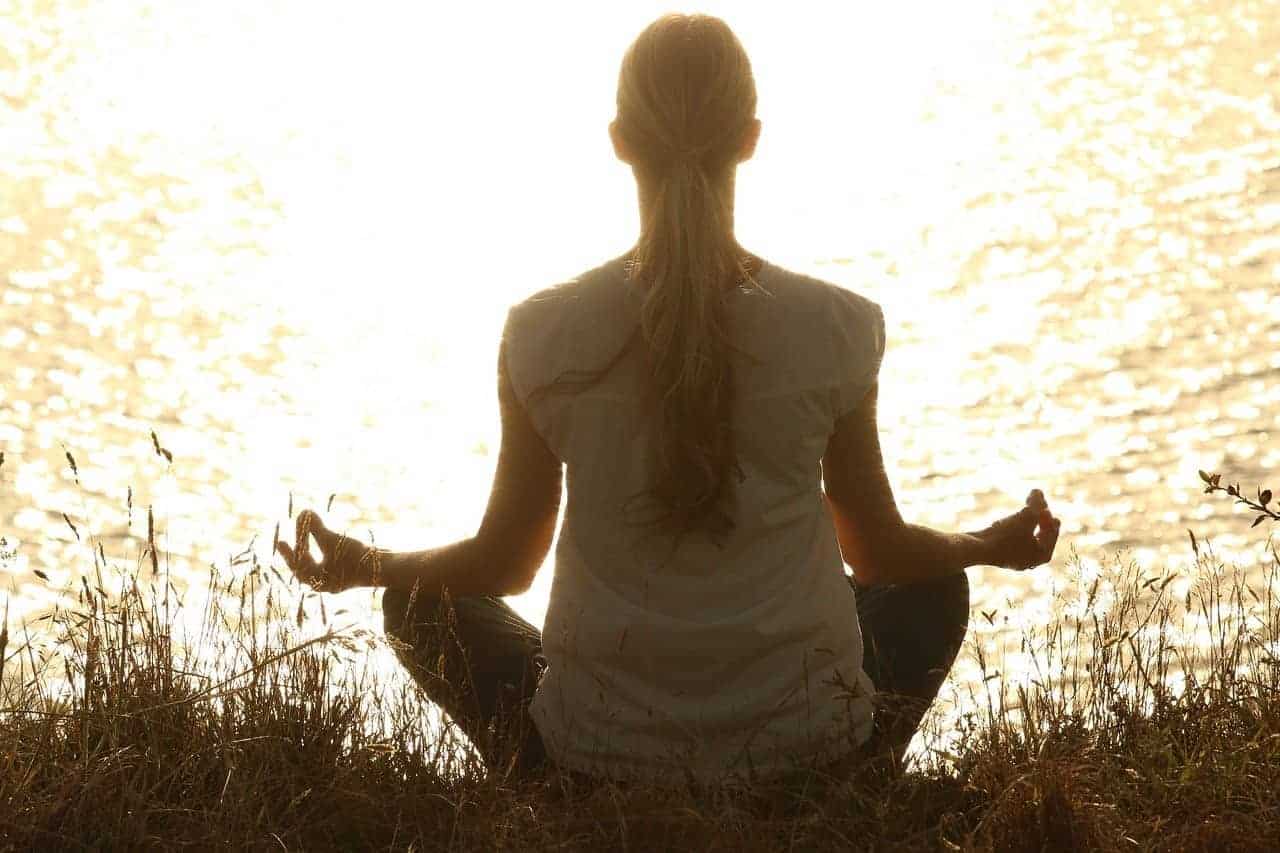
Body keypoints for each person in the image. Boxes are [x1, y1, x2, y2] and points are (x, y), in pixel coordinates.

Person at [276, 12, 1061, 796]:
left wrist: (363, 565)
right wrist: (985, 545)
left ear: (619, 139)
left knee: (418, 604)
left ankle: (558, 794)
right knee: (933, 584)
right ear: (751, 137)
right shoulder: (837, 327)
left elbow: (506, 562)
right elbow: (879, 553)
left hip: (596, 761)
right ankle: (840, 787)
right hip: (808, 755)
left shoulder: (542, 333)